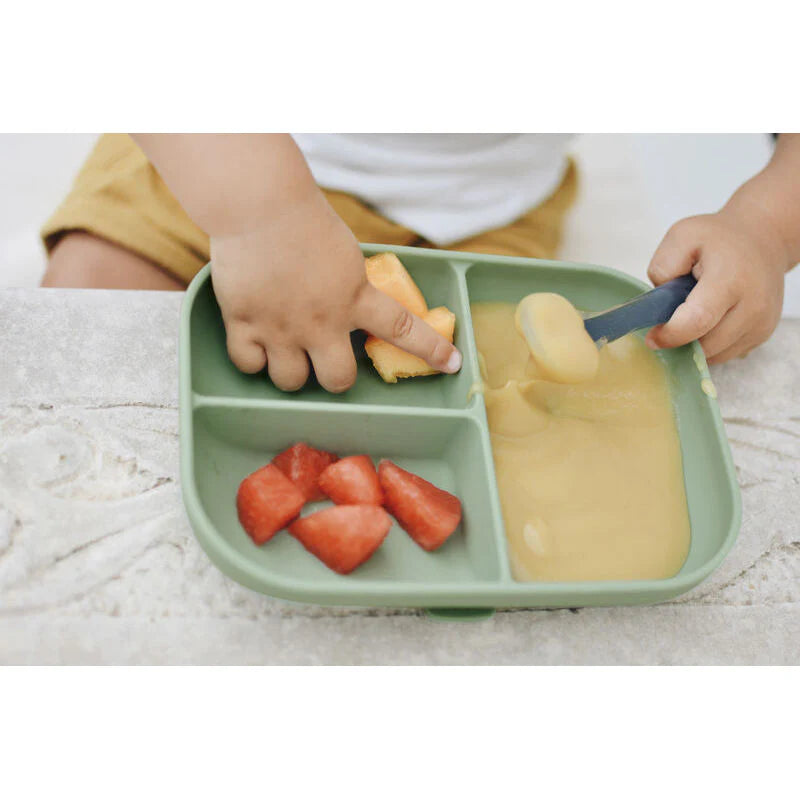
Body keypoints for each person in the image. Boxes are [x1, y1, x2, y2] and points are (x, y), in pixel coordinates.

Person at [41, 133, 799, 393]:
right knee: (81, 327)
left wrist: (767, 226)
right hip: (229, 157)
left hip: (489, 207)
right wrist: (260, 215)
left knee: (493, 402)